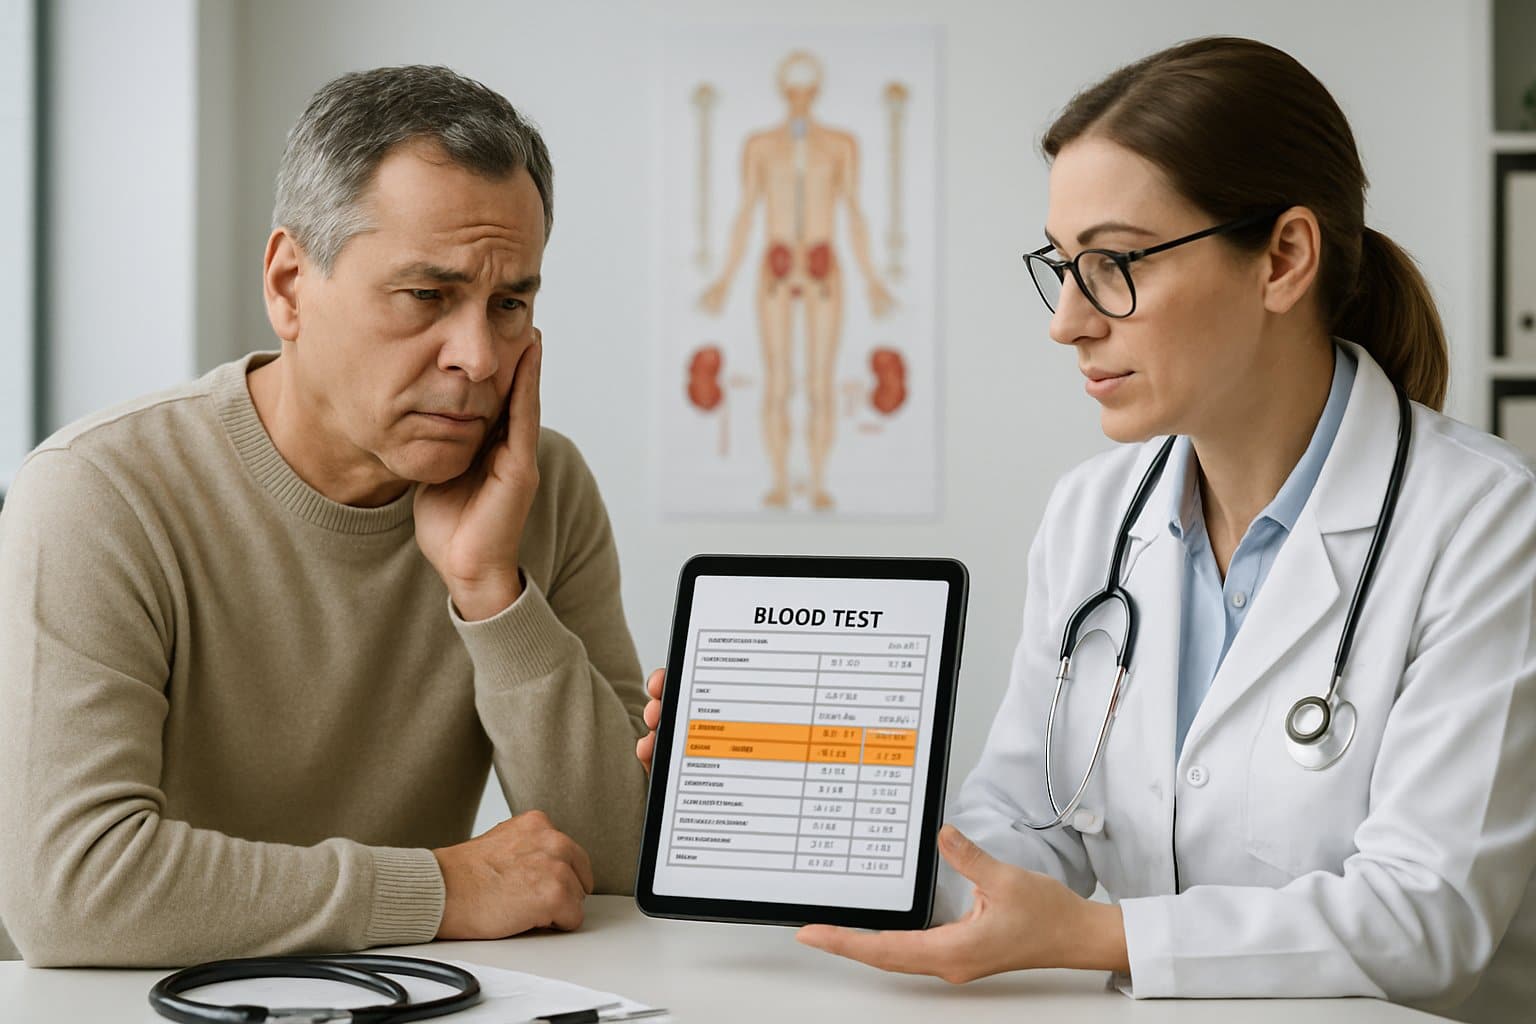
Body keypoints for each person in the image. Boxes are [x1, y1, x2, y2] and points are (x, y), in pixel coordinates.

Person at [642, 37, 1536, 1023]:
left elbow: (1429, 922)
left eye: (1111, 264)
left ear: (1283, 257)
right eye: (1063, 266)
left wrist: (1096, 936)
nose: (1067, 320)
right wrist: (787, 796)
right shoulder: (1095, 514)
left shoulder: (1486, 522)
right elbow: (1019, 840)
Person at [0, 65, 649, 966]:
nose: (478, 356)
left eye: (511, 306)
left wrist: (490, 594)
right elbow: (73, 892)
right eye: (428, 296)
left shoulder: (540, 487)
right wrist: (441, 887)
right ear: (289, 285)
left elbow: (620, 867)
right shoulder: (99, 494)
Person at [700, 50, 895, 511]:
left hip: (826, 269)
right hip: (775, 266)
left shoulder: (841, 145)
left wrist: (873, 280)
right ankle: (782, 481)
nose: (801, 99)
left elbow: (854, 212)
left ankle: (820, 479)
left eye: (807, 89)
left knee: (821, 380)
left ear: (818, 90)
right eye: (793, 89)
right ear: (782, 90)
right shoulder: (760, 146)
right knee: (778, 380)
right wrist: (724, 280)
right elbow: (745, 213)